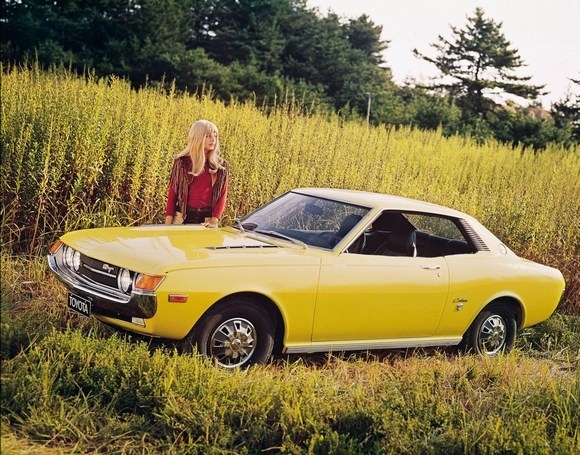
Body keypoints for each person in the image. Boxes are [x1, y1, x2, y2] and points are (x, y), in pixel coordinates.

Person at [164, 120, 229, 227]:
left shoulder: (221, 165)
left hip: (207, 220)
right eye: (208, 136)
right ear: (198, 137)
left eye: (215, 136)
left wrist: (214, 221)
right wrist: (167, 224)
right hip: (182, 217)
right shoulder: (182, 162)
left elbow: (222, 195)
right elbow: (173, 193)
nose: (213, 140)